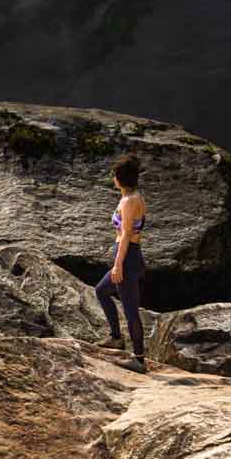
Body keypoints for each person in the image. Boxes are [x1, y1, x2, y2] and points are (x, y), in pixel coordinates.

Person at [94, 155, 147, 366]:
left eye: (114, 175)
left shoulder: (127, 201)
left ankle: (139, 360)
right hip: (133, 255)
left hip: (127, 258)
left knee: (131, 310)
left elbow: (125, 234)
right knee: (101, 291)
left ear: (119, 178)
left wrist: (118, 264)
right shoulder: (137, 197)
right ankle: (116, 338)